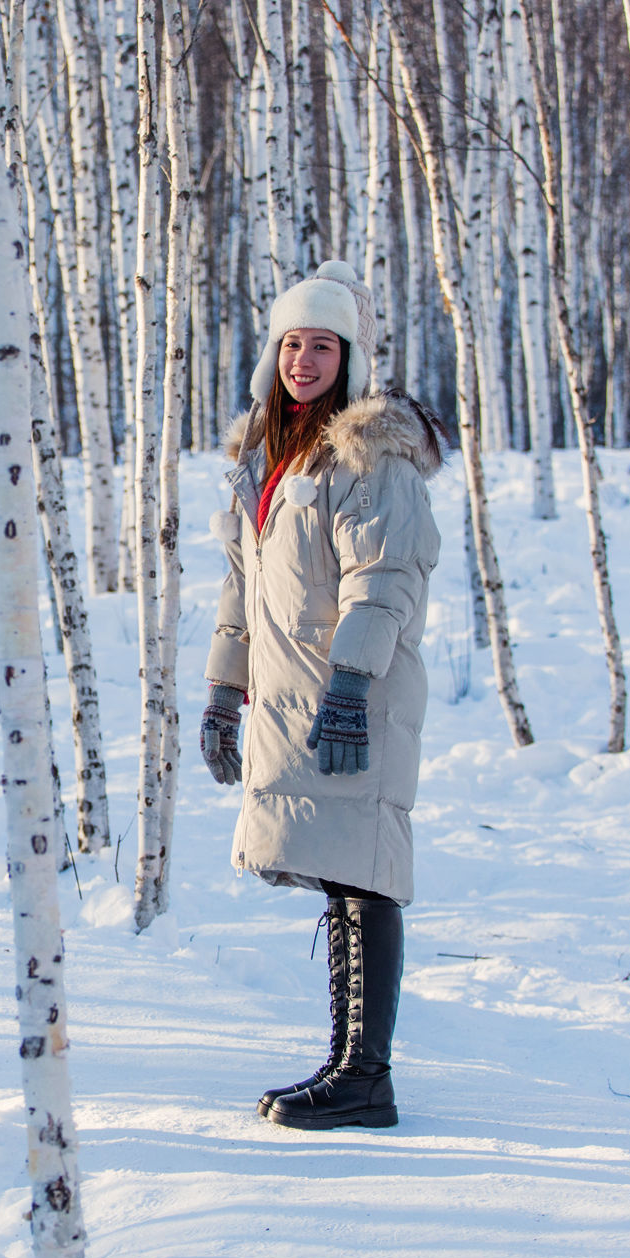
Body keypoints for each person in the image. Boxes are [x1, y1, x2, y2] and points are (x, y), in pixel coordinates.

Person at [199, 260, 447, 1131]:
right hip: (291, 697)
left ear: (351, 358)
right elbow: (243, 585)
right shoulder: (268, 454)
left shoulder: (367, 455)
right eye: (292, 343)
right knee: (339, 874)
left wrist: (348, 686)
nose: (305, 359)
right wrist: (224, 694)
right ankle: (347, 1064)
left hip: (353, 691)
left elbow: (384, 581)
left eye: (323, 345)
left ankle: (365, 1076)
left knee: (364, 873)